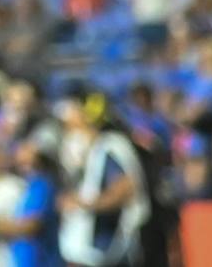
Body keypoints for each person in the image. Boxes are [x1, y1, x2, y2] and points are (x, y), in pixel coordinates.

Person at [58, 95, 152, 267]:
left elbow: (125, 188)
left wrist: (86, 204)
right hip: (86, 254)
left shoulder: (111, 145)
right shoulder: (95, 149)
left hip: (105, 252)